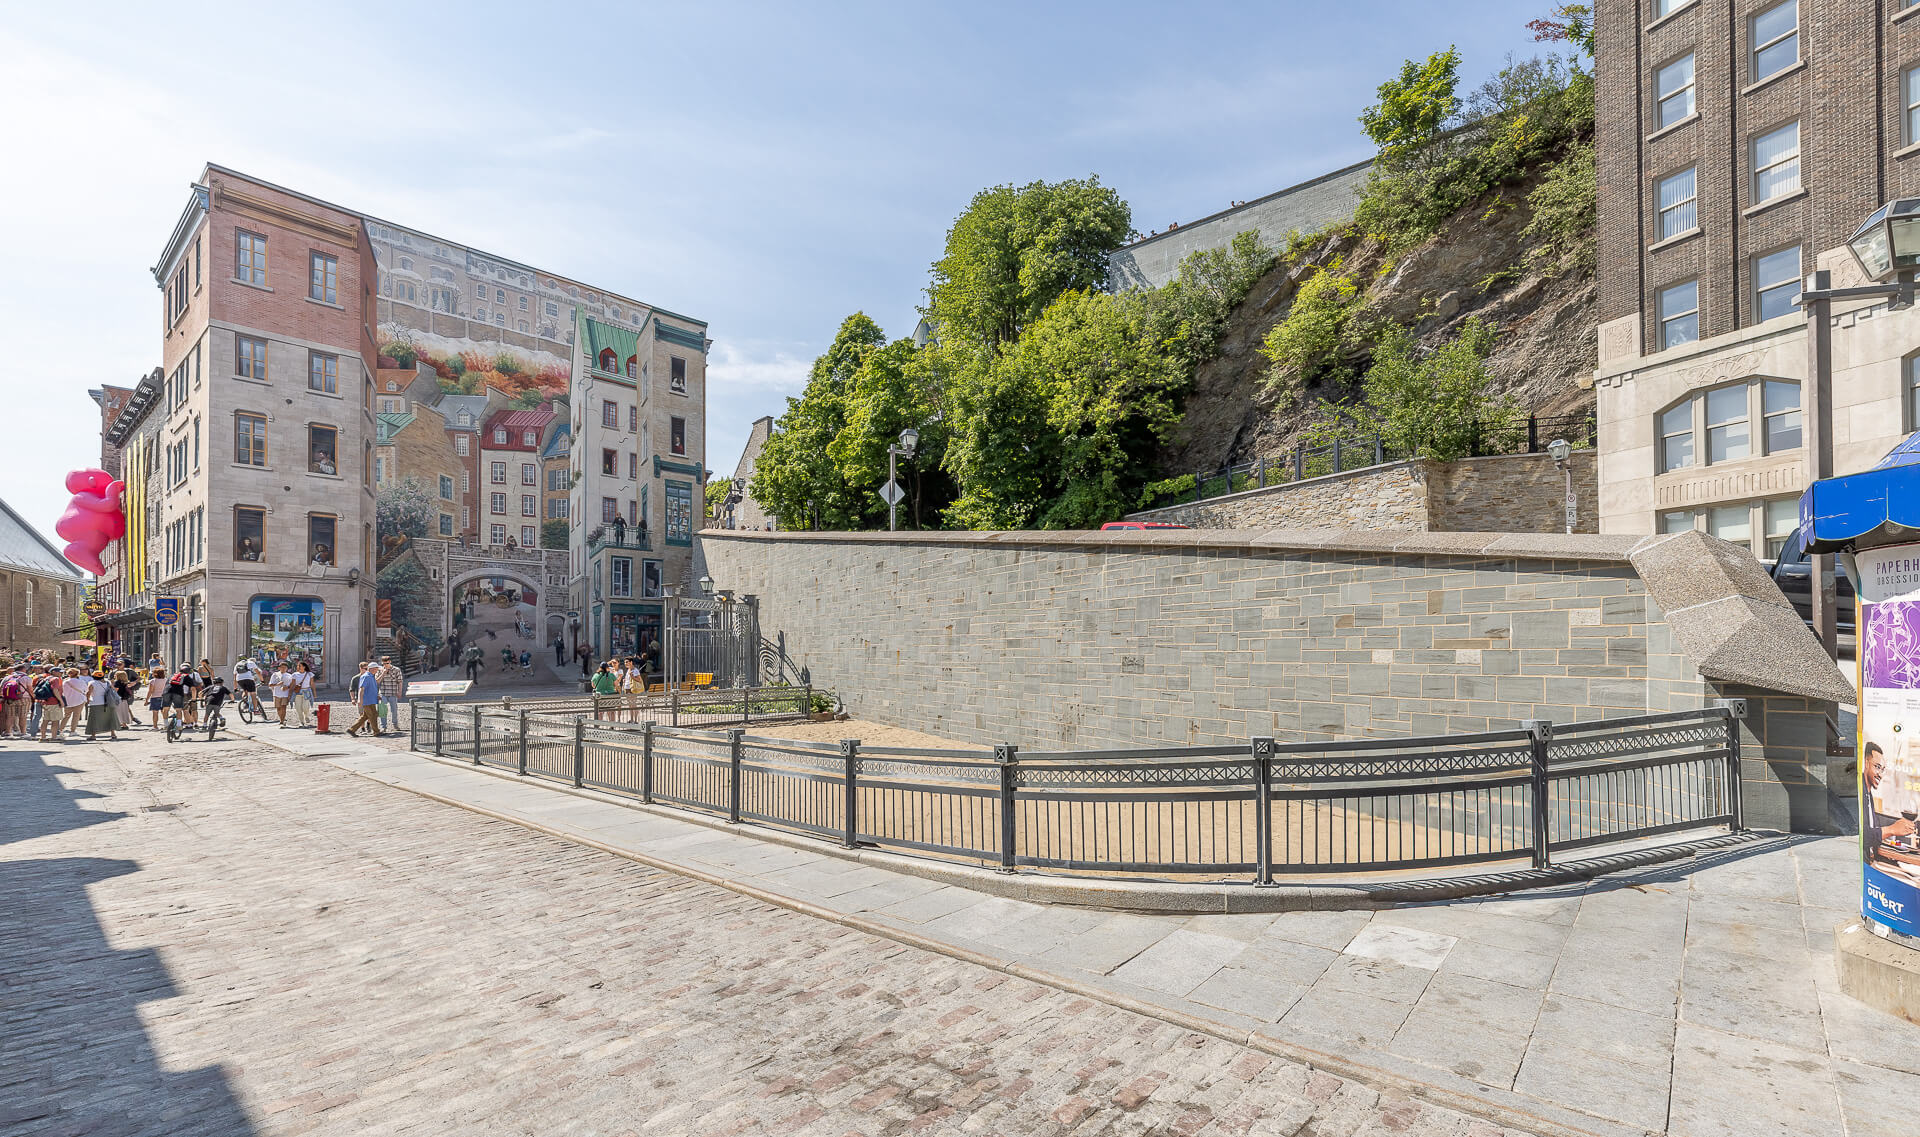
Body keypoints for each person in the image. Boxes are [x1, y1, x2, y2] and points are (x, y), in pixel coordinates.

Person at [1866, 742, 1917, 861]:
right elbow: (1864, 836)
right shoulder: (1865, 794)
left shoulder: (1868, 795)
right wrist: (1891, 830)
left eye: (1882, 769)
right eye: (1877, 767)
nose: (1880, 774)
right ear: (1866, 764)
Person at [346, 662, 381, 737]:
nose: (377, 670)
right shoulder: (366, 676)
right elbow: (361, 689)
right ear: (372, 669)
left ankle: (352, 730)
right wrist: (360, 700)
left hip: (371, 700)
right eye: (377, 668)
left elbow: (372, 687)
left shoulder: (371, 676)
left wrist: (376, 695)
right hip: (367, 700)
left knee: (366, 716)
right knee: (372, 715)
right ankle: (376, 731)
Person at [84, 672, 119, 741]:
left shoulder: (92, 683)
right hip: (108, 702)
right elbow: (114, 690)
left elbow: (88, 693)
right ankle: (113, 734)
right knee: (110, 717)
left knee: (94, 719)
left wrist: (87, 701)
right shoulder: (108, 682)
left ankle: (93, 736)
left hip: (95, 703)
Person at [375, 656, 405, 735]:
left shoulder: (396, 670)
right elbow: (377, 681)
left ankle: (395, 724)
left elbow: (400, 681)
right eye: (384, 664)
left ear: (390, 662)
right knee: (382, 711)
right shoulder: (379, 670)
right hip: (383, 693)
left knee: (394, 710)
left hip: (393, 693)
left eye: (387, 663)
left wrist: (400, 692)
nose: (386, 665)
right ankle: (383, 726)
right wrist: (383, 673)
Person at [0, 664, 29, 738]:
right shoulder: (26, 678)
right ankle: (23, 733)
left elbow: (1, 688)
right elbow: (30, 689)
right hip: (23, 699)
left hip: (9, 699)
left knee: (10, 716)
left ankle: (8, 733)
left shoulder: (7, 677)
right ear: (23, 669)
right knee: (23, 716)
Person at [59, 668, 89, 736]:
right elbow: (86, 690)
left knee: (66, 716)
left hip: (68, 701)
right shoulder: (81, 682)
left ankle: (61, 730)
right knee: (76, 716)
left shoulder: (65, 682)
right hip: (79, 700)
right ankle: (72, 731)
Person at [289, 661, 315, 727]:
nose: (298, 667)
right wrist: (290, 693)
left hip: (306, 691)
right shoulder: (294, 674)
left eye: (300, 666)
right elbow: (292, 684)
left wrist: (314, 693)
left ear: (304, 667)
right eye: (298, 666)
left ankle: (306, 716)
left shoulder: (309, 674)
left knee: (305, 707)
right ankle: (301, 721)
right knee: (298, 708)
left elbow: (312, 684)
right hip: (297, 692)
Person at [267, 662, 292, 726]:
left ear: (287, 668)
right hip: (276, 693)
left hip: (285, 694)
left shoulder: (289, 676)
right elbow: (270, 684)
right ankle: (281, 719)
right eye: (282, 667)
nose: (283, 669)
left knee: (284, 707)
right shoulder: (275, 675)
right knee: (278, 708)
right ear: (279, 668)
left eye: (285, 667)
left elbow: (292, 685)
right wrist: (277, 684)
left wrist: (287, 687)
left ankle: (282, 721)